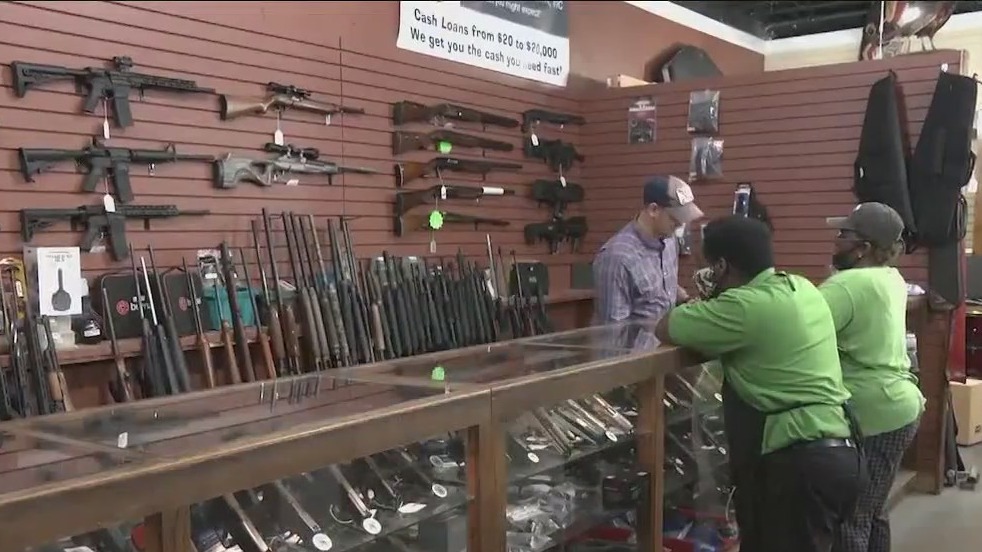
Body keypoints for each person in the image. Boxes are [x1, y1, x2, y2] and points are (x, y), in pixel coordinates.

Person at [654, 216, 865, 552]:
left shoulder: (742, 307)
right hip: (840, 451)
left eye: (705, 266)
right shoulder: (802, 287)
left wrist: (708, 298)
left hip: (797, 466)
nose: (701, 273)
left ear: (721, 266)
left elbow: (666, 326)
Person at [822, 203, 925, 552]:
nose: (836, 240)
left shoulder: (847, 285)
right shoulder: (890, 277)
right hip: (899, 407)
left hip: (873, 415)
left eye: (843, 234)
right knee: (873, 511)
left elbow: (798, 328)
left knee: (851, 518)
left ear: (863, 247)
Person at [592, 175, 704, 324]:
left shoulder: (669, 240)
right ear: (653, 210)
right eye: (675, 218)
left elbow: (661, 286)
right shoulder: (617, 258)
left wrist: (685, 299)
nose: (680, 224)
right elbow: (614, 328)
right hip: (639, 340)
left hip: (667, 337)